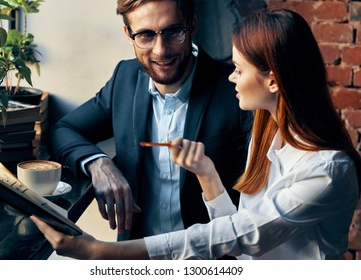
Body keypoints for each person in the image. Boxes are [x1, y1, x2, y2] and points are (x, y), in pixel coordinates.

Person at [34, 8, 361, 259]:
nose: (232, 77)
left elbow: (240, 235)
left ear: (272, 81)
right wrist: (207, 174)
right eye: (145, 35)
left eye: (240, 69)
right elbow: (242, 239)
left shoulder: (328, 170)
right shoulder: (268, 134)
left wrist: (100, 253)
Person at [48, 0, 252, 241]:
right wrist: (99, 165)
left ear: (192, 26)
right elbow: (63, 130)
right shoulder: (124, 78)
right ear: (128, 34)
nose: (160, 50)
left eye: (173, 32)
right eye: (145, 35)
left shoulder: (236, 89)